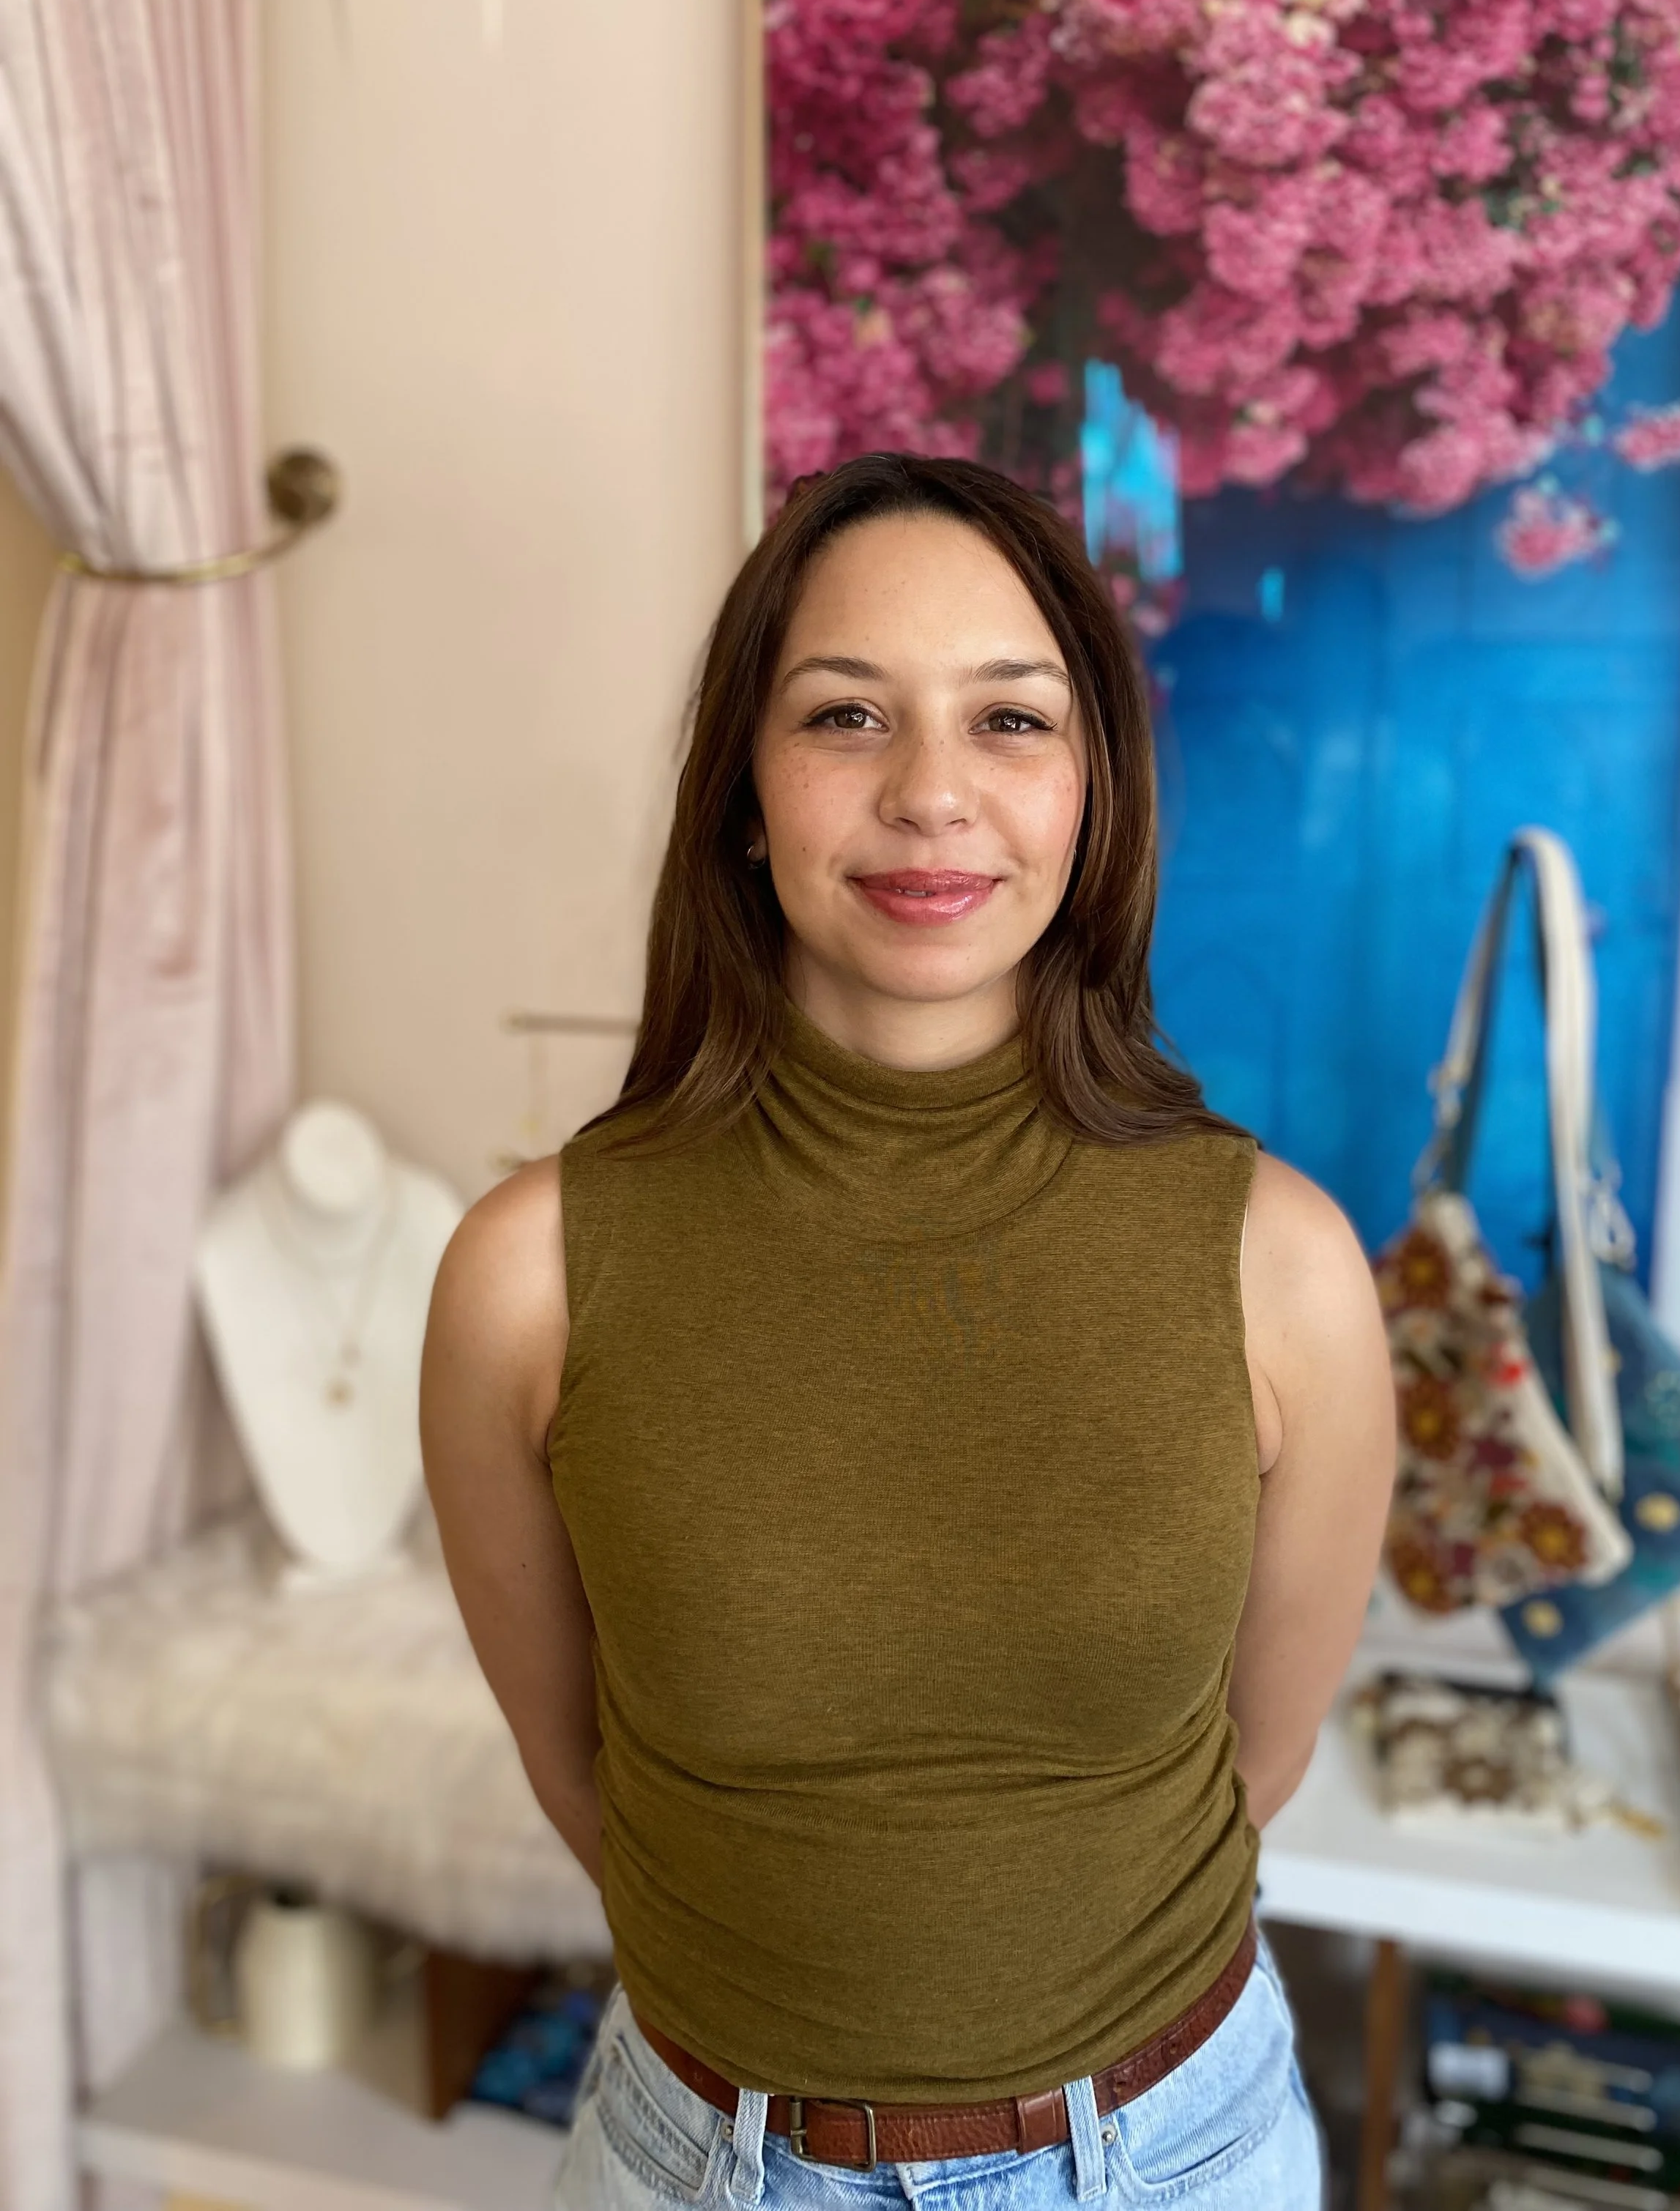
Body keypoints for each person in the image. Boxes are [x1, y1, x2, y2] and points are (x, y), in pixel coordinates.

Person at [422, 453, 1395, 2211]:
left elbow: (1256, 1760)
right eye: (848, 714)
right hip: (698, 2159)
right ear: (743, 791)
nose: (932, 795)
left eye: (1009, 722)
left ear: (1093, 792)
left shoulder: (1281, 1267)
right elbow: (585, 1773)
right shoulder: (528, 1276)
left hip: (1176, 2158)